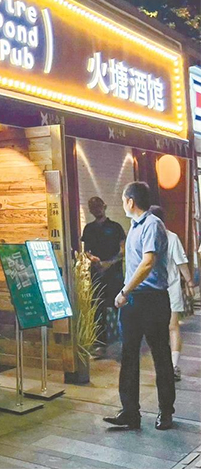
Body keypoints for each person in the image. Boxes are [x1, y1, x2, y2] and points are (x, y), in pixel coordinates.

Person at [103, 182, 175, 431]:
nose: (123, 204)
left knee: (160, 355)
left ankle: (166, 411)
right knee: (129, 355)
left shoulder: (152, 224)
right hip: (134, 301)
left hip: (152, 299)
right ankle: (130, 412)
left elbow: (147, 263)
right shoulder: (133, 227)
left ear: (130, 201)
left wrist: (124, 291)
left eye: (123, 200)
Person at [149, 206, 195, 382]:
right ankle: (170, 366)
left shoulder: (155, 237)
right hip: (164, 289)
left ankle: (170, 366)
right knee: (170, 327)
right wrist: (189, 282)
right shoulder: (169, 237)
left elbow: (181, 262)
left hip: (160, 289)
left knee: (166, 327)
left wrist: (189, 282)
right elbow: (181, 263)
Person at [81, 196, 126, 356]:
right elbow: (86, 251)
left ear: (104, 206)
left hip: (114, 275)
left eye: (98, 206)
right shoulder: (88, 229)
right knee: (98, 309)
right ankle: (100, 345)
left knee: (119, 306)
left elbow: (123, 250)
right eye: (92, 207)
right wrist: (92, 259)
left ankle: (127, 341)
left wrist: (109, 263)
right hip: (97, 274)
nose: (96, 209)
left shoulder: (115, 227)